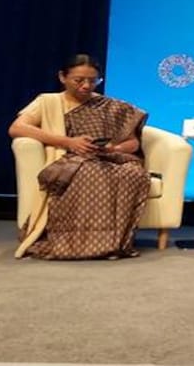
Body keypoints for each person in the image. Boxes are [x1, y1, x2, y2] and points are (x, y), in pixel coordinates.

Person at [9, 54, 150, 260]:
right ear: (62, 77)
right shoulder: (48, 101)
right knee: (91, 173)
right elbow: (17, 128)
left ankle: (115, 243)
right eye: (79, 80)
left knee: (133, 174)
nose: (86, 86)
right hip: (69, 158)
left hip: (108, 158)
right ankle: (79, 244)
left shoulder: (111, 106)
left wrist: (112, 148)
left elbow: (133, 143)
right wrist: (68, 142)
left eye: (93, 81)